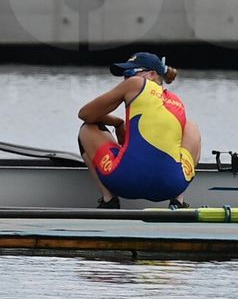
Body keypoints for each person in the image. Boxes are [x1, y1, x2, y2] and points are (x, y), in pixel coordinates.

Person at [76, 52, 201, 208]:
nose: (126, 79)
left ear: (152, 75)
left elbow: (85, 114)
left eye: (130, 73)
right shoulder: (177, 101)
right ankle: (178, 201)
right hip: (171, 186)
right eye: (124, 76)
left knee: (88, 128)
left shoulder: (135, 84)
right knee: (190, 126)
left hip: (124, 181)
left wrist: (117, 123)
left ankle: (109, 200)